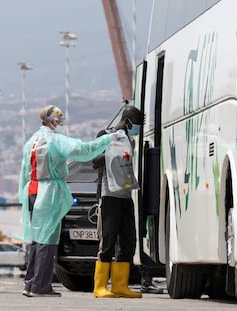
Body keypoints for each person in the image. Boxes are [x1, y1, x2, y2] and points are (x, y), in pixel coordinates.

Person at [18, 105, 118, 297]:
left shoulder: (31, 141)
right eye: (60, 120)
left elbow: (23, 173)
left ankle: (30, 283)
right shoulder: (55, 140)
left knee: (37, 240)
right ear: (52, 121)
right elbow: (84, 150)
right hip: (49, 193)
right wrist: (108, 139)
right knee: (48, 240)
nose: (61, 123)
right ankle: (40, 286)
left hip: (32, 190)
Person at [92, 105, 144, 298]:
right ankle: (100, 287)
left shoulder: (129, 139)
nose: (137, 130)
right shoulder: (105, 134)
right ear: (129, 122)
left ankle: (120, 285)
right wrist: (110, 149)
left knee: (129, 242)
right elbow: (94, 161)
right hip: (109, 196)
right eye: (136, 125)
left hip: (126, 196)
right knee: (107, 242)